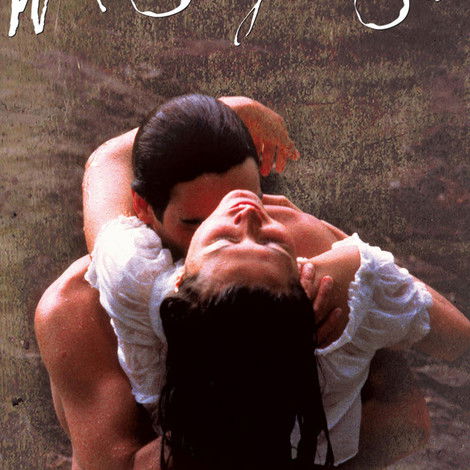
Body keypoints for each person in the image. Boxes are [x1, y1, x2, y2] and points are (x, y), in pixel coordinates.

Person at [35, 95, 470, 469]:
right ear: (144, 207)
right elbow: (414, 410)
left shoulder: (128, 279)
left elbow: (107, 161)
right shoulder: (332, 271)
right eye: (197, 221)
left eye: (252, 200)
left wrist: (226, 111)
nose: (242, 214)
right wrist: (345, 251)